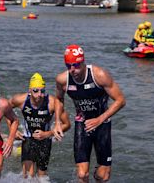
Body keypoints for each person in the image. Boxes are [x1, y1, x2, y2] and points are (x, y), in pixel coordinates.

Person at [53, 44, 126, 182]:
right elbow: (58, 98)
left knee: (103, 176)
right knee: (82, 174)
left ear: (83, 61)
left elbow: (121, 100)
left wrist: (100, 119)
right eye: (69, 66)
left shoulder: (99, 75)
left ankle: (97, 173)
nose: (72, 69)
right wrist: (57, 122)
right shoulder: (62, 80)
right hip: (83, 123)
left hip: (102, 124)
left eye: (76, 65)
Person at [8, 73, 71, 180]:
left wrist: (48, 133)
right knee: (28, 176)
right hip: (27, 138)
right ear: (30, 90)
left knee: (41, 177)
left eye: (42, 91)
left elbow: (67, 124)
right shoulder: (21, 100)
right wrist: (12, 130)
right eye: (36, 91)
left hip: (45, 141)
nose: (39, 94)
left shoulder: (52, 103)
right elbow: (5, 109)